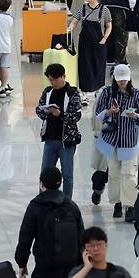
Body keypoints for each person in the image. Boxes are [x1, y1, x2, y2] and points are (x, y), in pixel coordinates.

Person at [94, 65, 139, 221]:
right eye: (119, 79)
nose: (122, 82)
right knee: (114, 173)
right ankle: (117, 203)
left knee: (129, 174)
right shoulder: (106, 93)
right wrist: (109, 112)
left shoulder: (137, 94)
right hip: (112, 140)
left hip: (129, 140)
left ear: (129, 78)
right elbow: (98, 114)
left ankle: (130, 206)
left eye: (125, 79)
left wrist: (135, 115)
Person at [35, 64, 82, 199]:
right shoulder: (48, 91)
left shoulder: (72, 93)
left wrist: (60, 114)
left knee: (67, 175)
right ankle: (43, 201)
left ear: (63, 77)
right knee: (45, 173)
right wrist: (46, 112)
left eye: (55, 79)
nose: (53, 82)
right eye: (50, 80)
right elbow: (38, 109)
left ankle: (66, 203)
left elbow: (76, 117)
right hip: (50, 139)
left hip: (66, 141)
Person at [68, 0, 112, 103]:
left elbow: (109, 26)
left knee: (99, 66)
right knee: (85, 67)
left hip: (99, 44)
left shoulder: (104, 10)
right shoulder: (82, 8)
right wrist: (70, 29)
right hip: (85, 43)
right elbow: (74, 22)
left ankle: (99, 91)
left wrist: (105, 38)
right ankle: (84, 94)